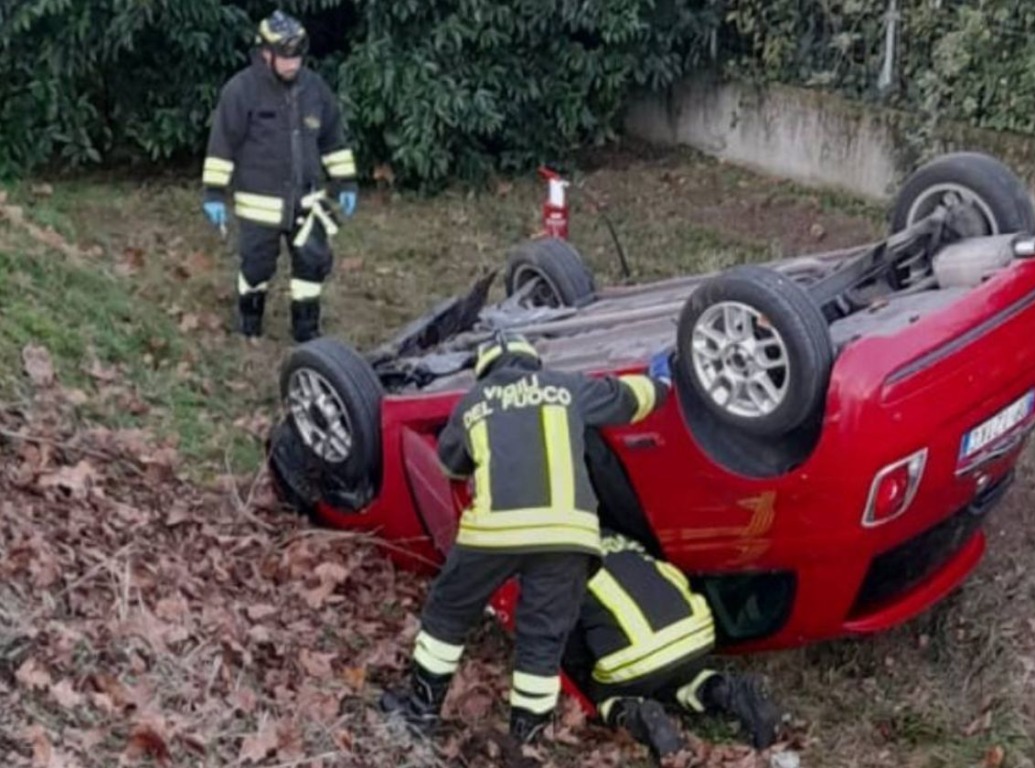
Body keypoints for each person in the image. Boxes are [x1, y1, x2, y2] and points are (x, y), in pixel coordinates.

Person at [379, 333, 675, 745]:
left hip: (494, 533)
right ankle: (525, 743)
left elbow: (449, 465)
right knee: (542, 642)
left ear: (484, 370)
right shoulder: (565, 385)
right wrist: (662, 381)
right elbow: (629, 400)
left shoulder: (473, 402)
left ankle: (420, 715)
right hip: (568, 537)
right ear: (532, 361)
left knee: (446, 617)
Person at [200, 10, 359, 343]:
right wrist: (214, 192)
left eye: (297, 57)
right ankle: (249, 323)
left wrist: (346, 182)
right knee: (257, 267)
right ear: (265, 54)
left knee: (312, 265)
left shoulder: (315, 89)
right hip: (260, 204)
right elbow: (222, 144)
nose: (292, 65)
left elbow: (333, 139)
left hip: (309, 200)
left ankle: (306, 329)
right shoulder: (241, 90)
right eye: (285, 58)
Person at [561, 530, 784, 763]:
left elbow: (568, 639)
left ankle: (635, 714)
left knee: (602, 696)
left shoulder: (556, 563)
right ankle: (724, 690)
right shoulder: (616, 535)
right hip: (696, 634)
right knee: (678, 681)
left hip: (639, 654)